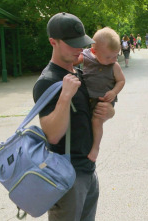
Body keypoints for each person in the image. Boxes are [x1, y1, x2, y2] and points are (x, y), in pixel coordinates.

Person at [33, 12, 115, 220]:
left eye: (81, 43)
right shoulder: (47, 81)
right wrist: (64, 97)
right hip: (66, 175)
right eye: (72, 44)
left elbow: (92, 114)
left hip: (87, 169)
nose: (79, 49)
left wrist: (109, 112)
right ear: (53, 42)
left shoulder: (79, 73)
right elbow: (52, 135)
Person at [73, 27, 125, 162]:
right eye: (109, 57)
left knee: (96, 122)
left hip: (104, 99)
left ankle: (95, 147)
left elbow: (121, 81)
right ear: (94, 51)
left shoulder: (114, 66)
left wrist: (113, 92)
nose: (114, 59)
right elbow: (72, 62)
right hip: (88, 97)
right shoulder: (86, 56)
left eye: (116, 55)